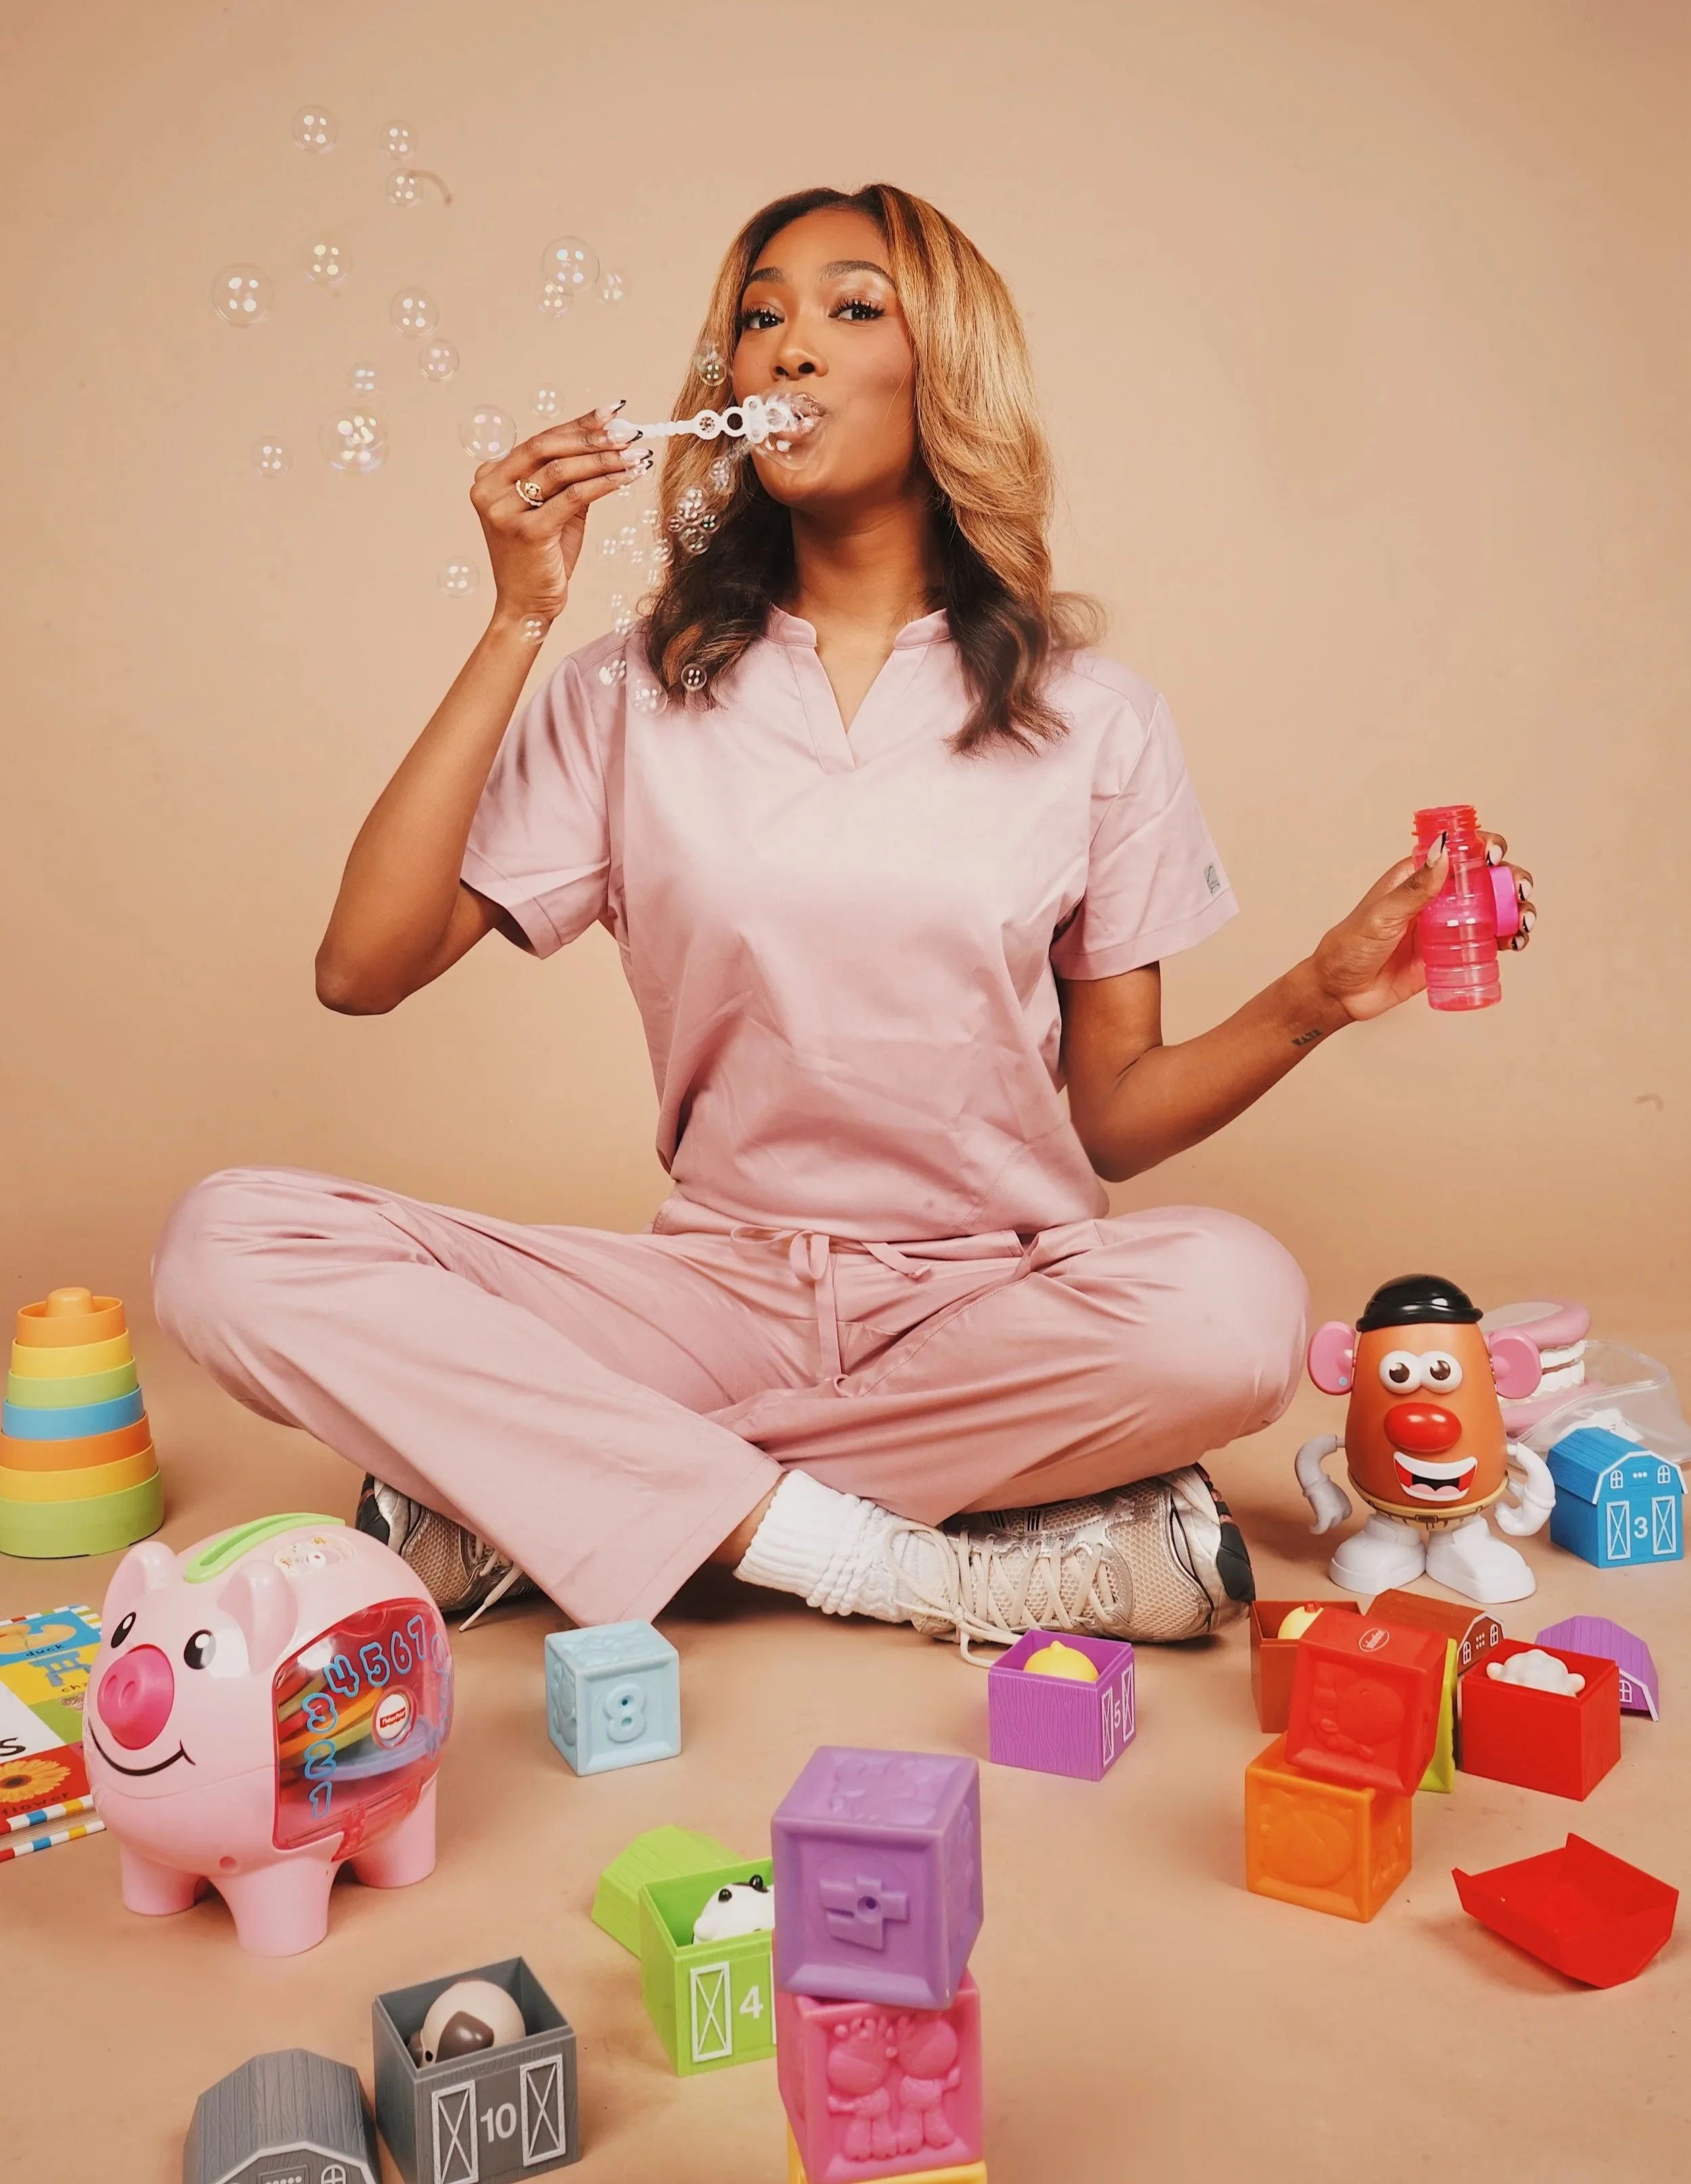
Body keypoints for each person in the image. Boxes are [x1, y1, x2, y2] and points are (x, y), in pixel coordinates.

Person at [154, 183, 1533, 1647]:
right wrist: (518, 618)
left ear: (943, 371)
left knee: (1235, 1309)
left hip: (986, 1305)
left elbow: (1114, 1117)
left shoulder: (1093, 719)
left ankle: (541, 1503)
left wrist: (1315, 995)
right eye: (758, 317)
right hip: (706, 1293)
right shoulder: (637, 686)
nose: (786, 351)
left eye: (849, 308)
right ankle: (930, 1563)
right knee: (226, 1245)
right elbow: (360, 969)